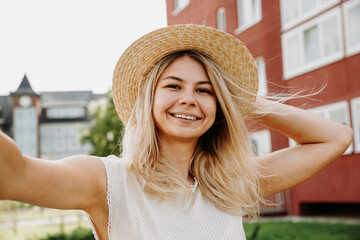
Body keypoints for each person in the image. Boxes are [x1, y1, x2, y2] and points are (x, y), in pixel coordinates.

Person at [0, 24, 353, 240]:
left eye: (204, 90)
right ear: (148, 100)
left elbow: (335, 138)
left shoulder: (230, 182)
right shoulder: (107, 181)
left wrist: (240, 100)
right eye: (173, 86)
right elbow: (16, 175)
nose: (189, 99)